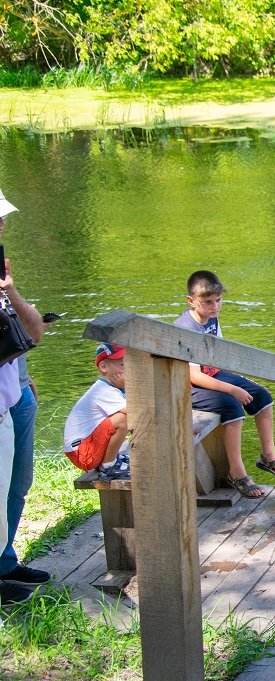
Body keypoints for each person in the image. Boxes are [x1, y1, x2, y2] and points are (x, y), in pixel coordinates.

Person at [173, 270, 275, 499]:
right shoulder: (185, 329)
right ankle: (236, 473)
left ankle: (268, 456)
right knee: (232, 406)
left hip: (213, 373)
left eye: (218, 300)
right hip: (186, 386)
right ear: (191, 301)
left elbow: (218, 354)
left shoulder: (212, 319)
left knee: (262, 395)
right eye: (207, 302)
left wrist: (241, 380)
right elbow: (193, 376)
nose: (215, 306)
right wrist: (232, 389)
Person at [0, 189, 51, 605]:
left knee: (18, 484)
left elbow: (30, 332)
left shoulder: (2, 273)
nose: (2, 224)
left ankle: (5, 562)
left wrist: (11, 291)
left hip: (15, 395)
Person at [64, 343, 130, 481]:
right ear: (103, 367)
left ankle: (111, 460)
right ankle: (108, 466)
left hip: (83, 448)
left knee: (122, 418)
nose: (129, 370)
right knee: (123, 419)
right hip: (82, 453)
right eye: (123, 365)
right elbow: (135, 412)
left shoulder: (113, 389)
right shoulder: (103, 391)